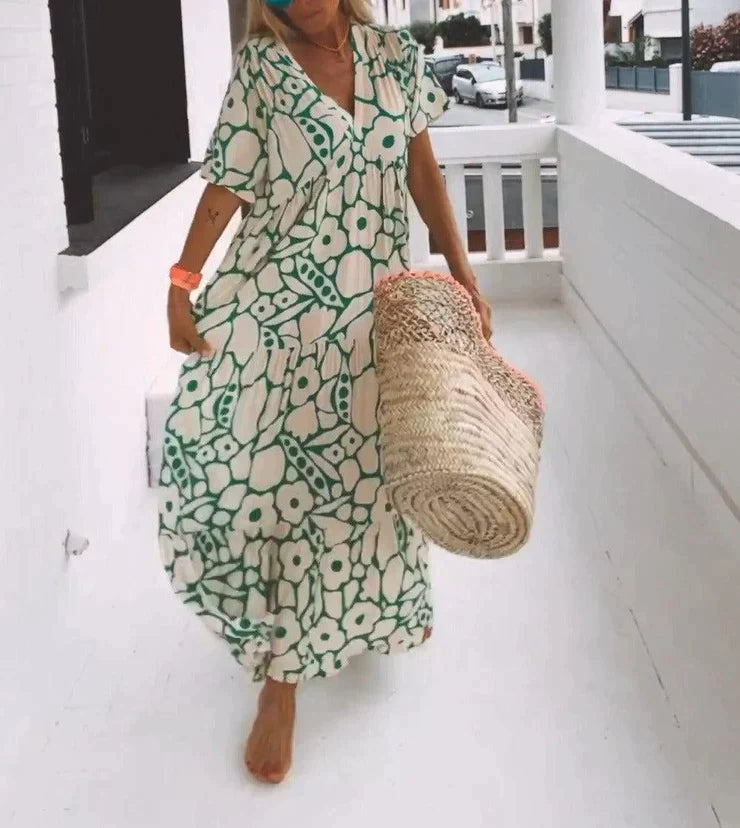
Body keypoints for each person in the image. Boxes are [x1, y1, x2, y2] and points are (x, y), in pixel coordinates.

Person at [158, 0, 492, 786]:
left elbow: (422, 172)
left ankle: (387, 605)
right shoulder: (263, 70)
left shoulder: (395, 58)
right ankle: (282, 681)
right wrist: (181, 280)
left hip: (376, 311)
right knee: (294, 486)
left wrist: (463, 273)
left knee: (375, 474)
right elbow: (228, 182)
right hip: (284, 315)